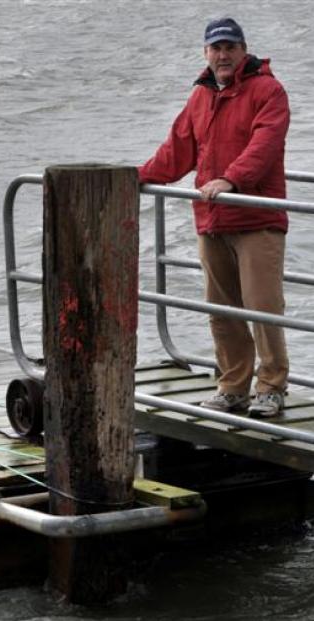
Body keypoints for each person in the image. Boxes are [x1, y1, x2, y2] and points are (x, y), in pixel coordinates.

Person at [139, 17, 290, 418]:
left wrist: (231, 179)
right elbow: (177, 151)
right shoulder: (200, 95)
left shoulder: (268, 90)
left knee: (262, 307)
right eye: (215, 48)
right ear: (206, 53)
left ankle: (272, 387)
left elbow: (265, 144)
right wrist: (134, 178)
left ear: (244, 50)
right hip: (212, 219)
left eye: (230, 47)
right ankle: (233, 387)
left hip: (257, 219)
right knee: (220, 310)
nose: (223, 55)